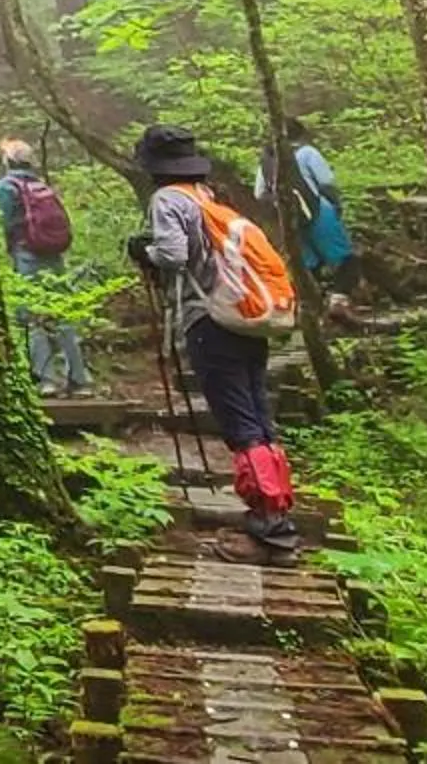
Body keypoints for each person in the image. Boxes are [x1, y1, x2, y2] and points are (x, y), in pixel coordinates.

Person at [126, 122, 301, 560]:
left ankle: (271, 529)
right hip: (246, 317)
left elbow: (173, 256)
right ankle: (277, 510)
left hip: (210, 320)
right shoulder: (206, 197)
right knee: (259, 414)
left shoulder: (167, 200)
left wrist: (143, 252)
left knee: (239, 421)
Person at [0, 138, 91, 396]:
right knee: (61, 314)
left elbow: (3, 221)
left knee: (34, 316)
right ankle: (80, 380)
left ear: (8, 160)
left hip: (27, 254)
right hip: (54, 255)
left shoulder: (6, 186)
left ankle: (46, 380)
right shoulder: (41, 184)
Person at [283, 117, 357, 295]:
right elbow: (326, 183)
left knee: (309, 265)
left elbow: (259, 193)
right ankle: (339, 301)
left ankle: (317, 304)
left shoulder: (270, 159)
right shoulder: (308, 153)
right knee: (346, 259)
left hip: (289, 217)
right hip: (317, 209)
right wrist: (337, 205)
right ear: (302, 133)